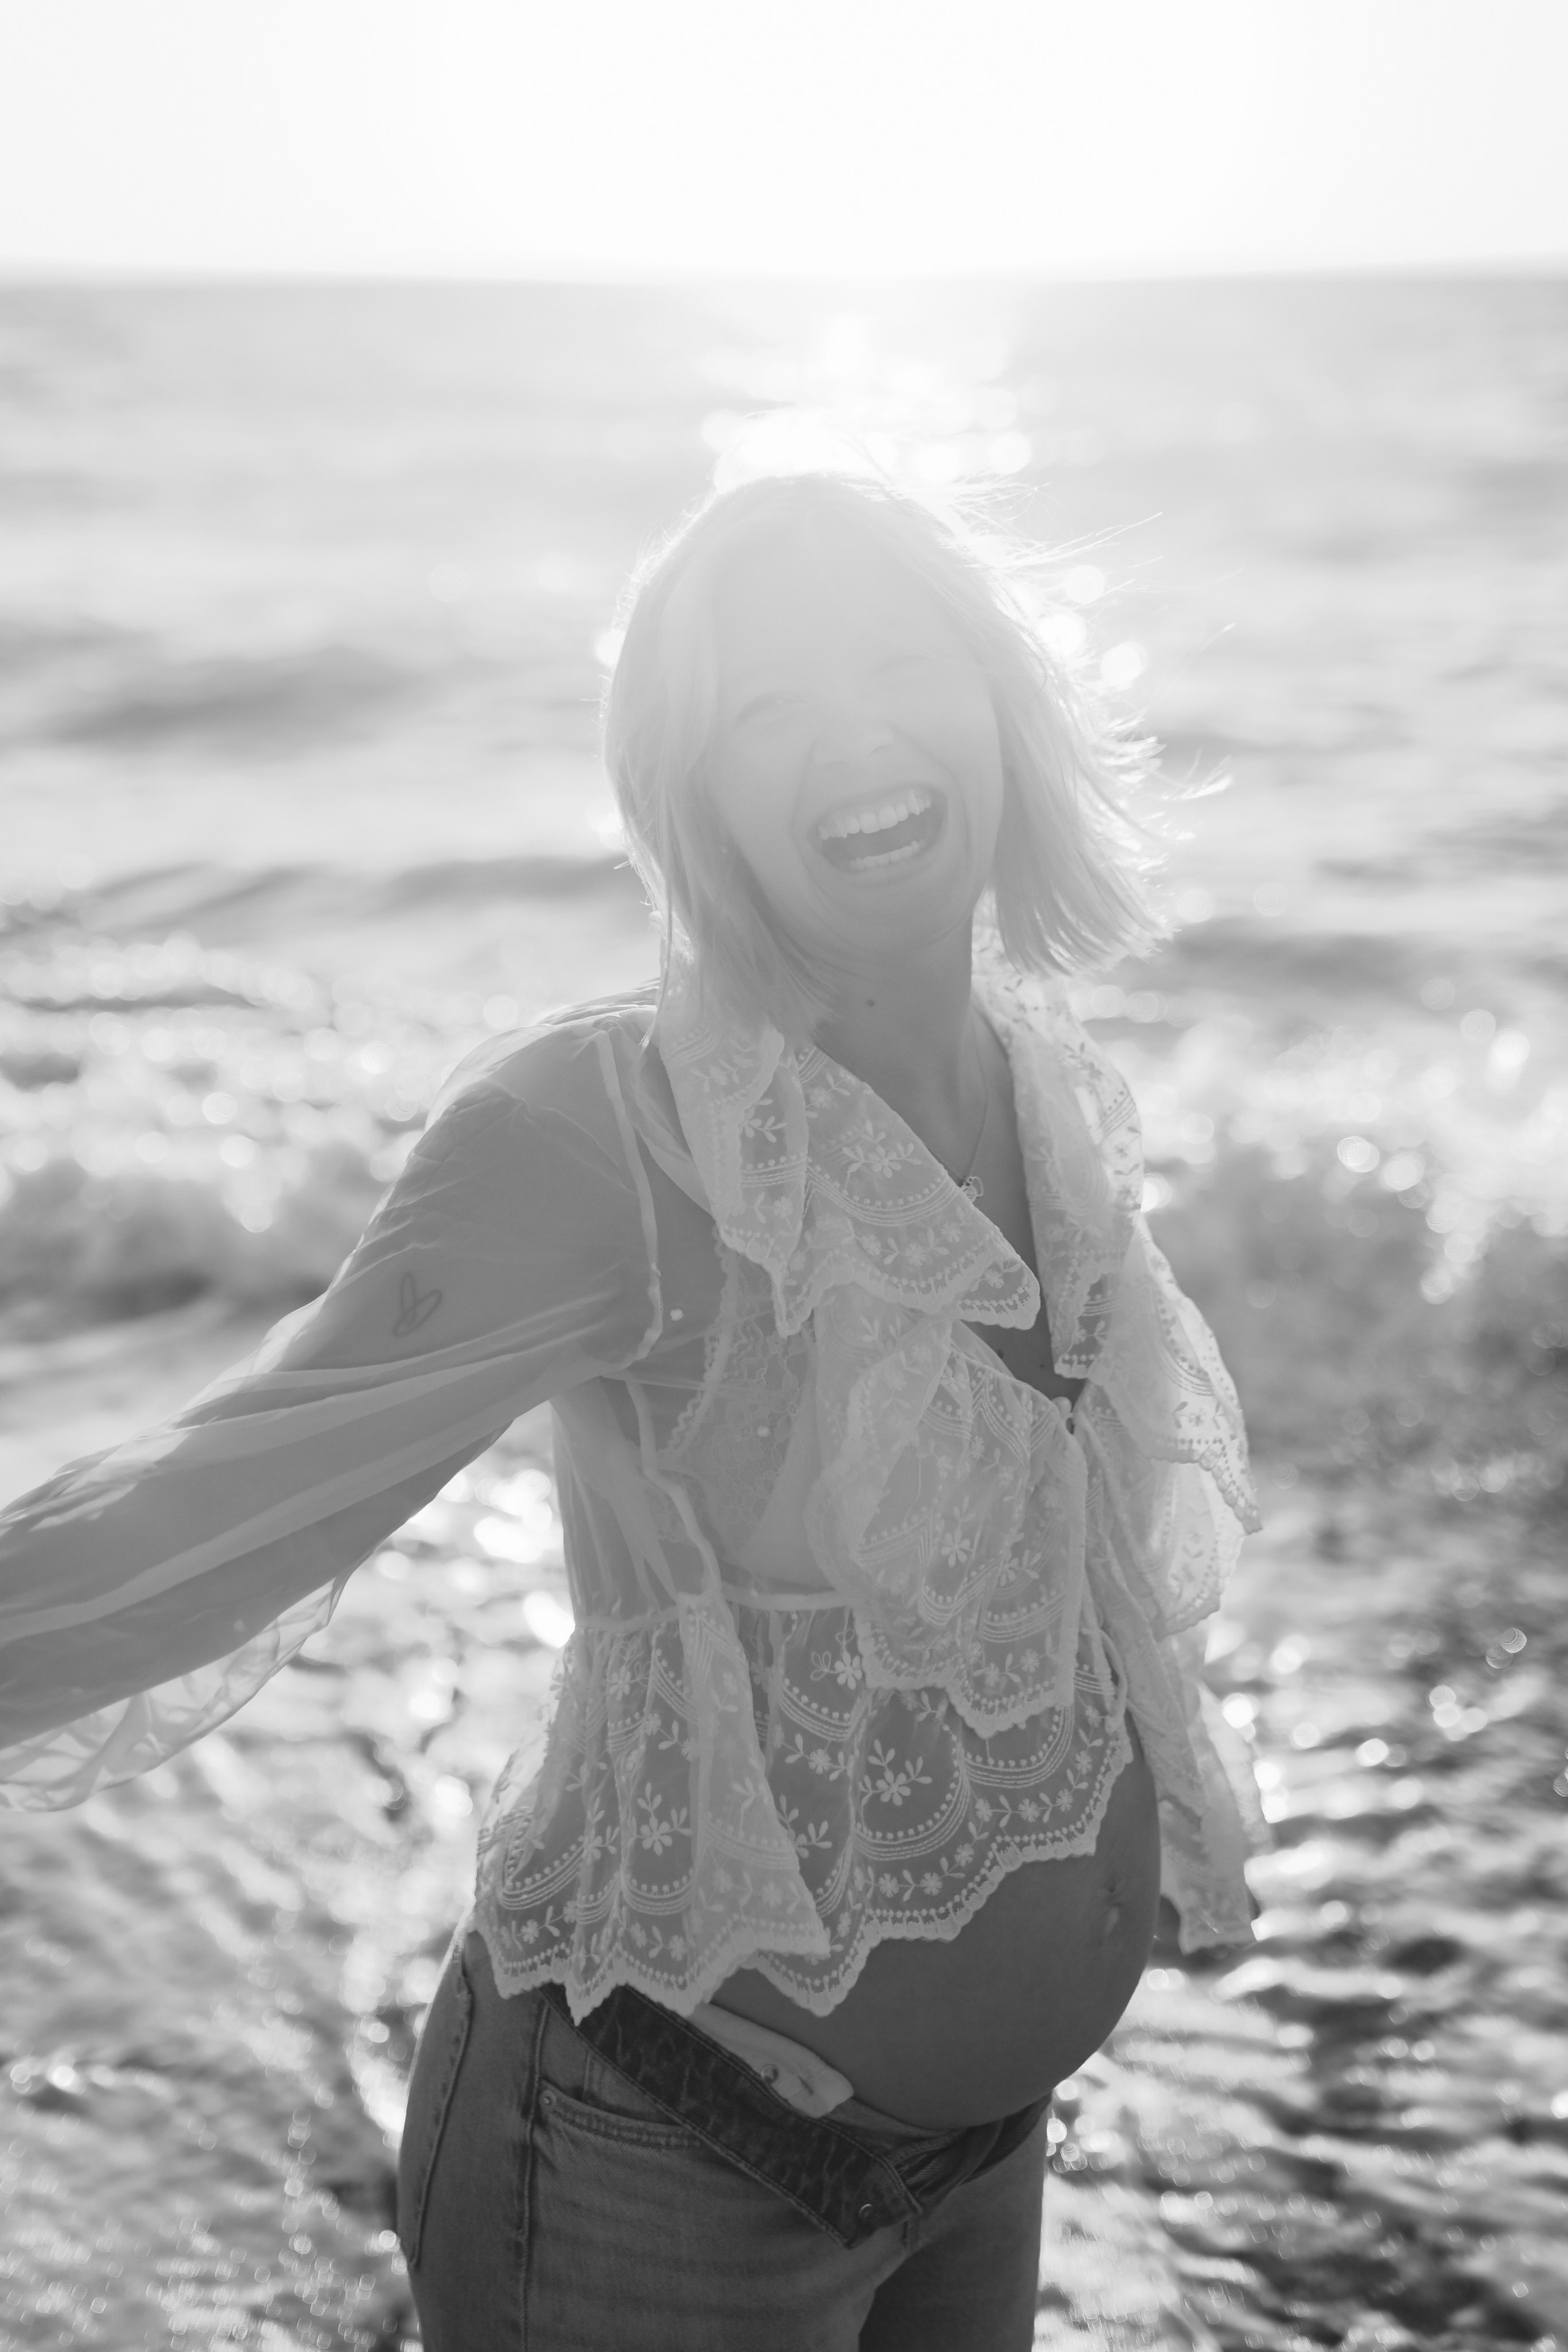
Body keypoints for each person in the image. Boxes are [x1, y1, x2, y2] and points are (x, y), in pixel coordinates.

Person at [0, 468, 1261, 2350]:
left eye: (902, 654)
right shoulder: (605, 1131)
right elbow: (212, 1512)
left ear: (1001, 694)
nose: (856, 731)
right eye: (762, 705)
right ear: (687, 789)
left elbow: (1062, 1561)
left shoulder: (1042, 1078)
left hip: (984, 2164)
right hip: (655, 2172)